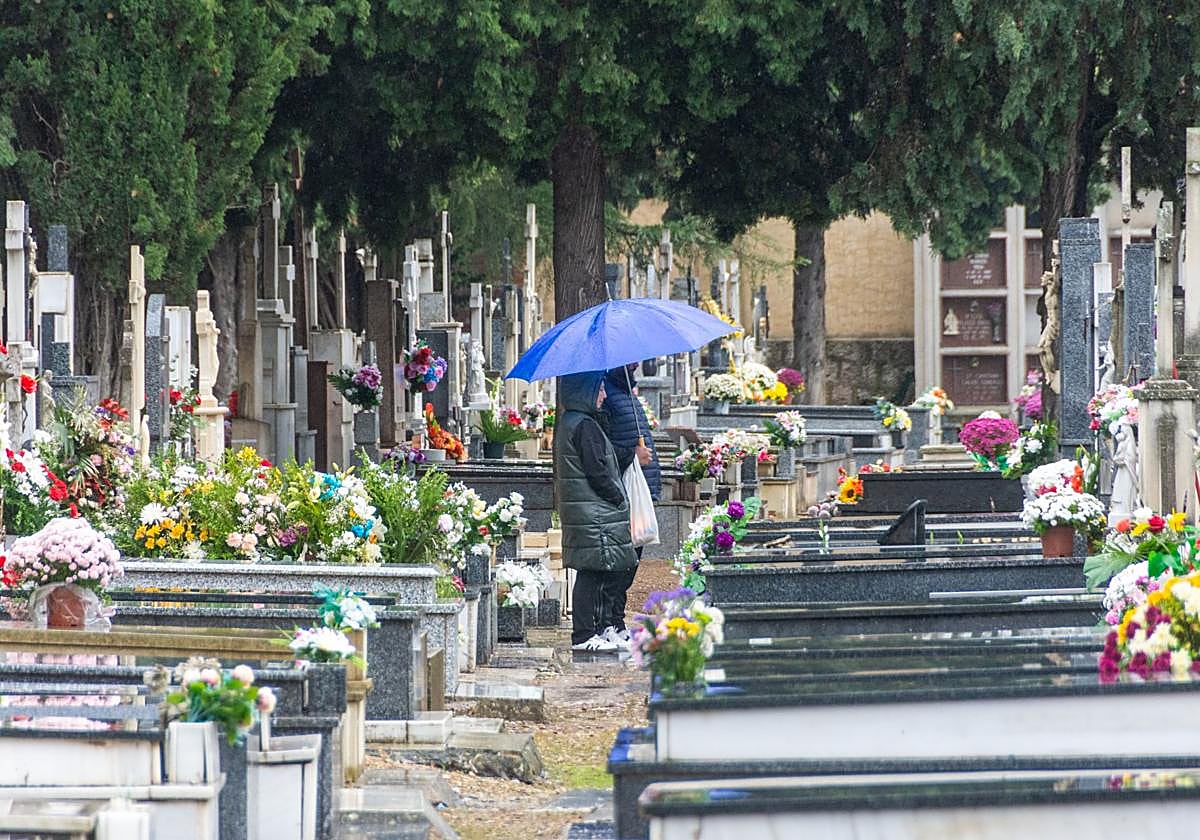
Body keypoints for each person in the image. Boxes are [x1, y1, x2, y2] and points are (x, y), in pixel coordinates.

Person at [555, 371, 638, 652]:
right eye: (599, 390)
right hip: (594, 510)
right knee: (592, 572)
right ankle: (583, 635)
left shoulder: (573, 422)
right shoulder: (584, 426)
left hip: (586, 508)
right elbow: (597, 471)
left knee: (593, 571)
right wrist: (617, 497)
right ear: (585, 392)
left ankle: (594, 631)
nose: (604, 395)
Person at [600, 363, 660, 650]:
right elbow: (604, 449)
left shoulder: (627, 392)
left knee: (631, 562)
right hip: (625, 490)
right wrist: (632, 456)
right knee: (621, 563)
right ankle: (609, 621)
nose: (636, 362)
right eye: (630, 359)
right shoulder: (610, 394)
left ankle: (616, 620)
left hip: (642, 489)